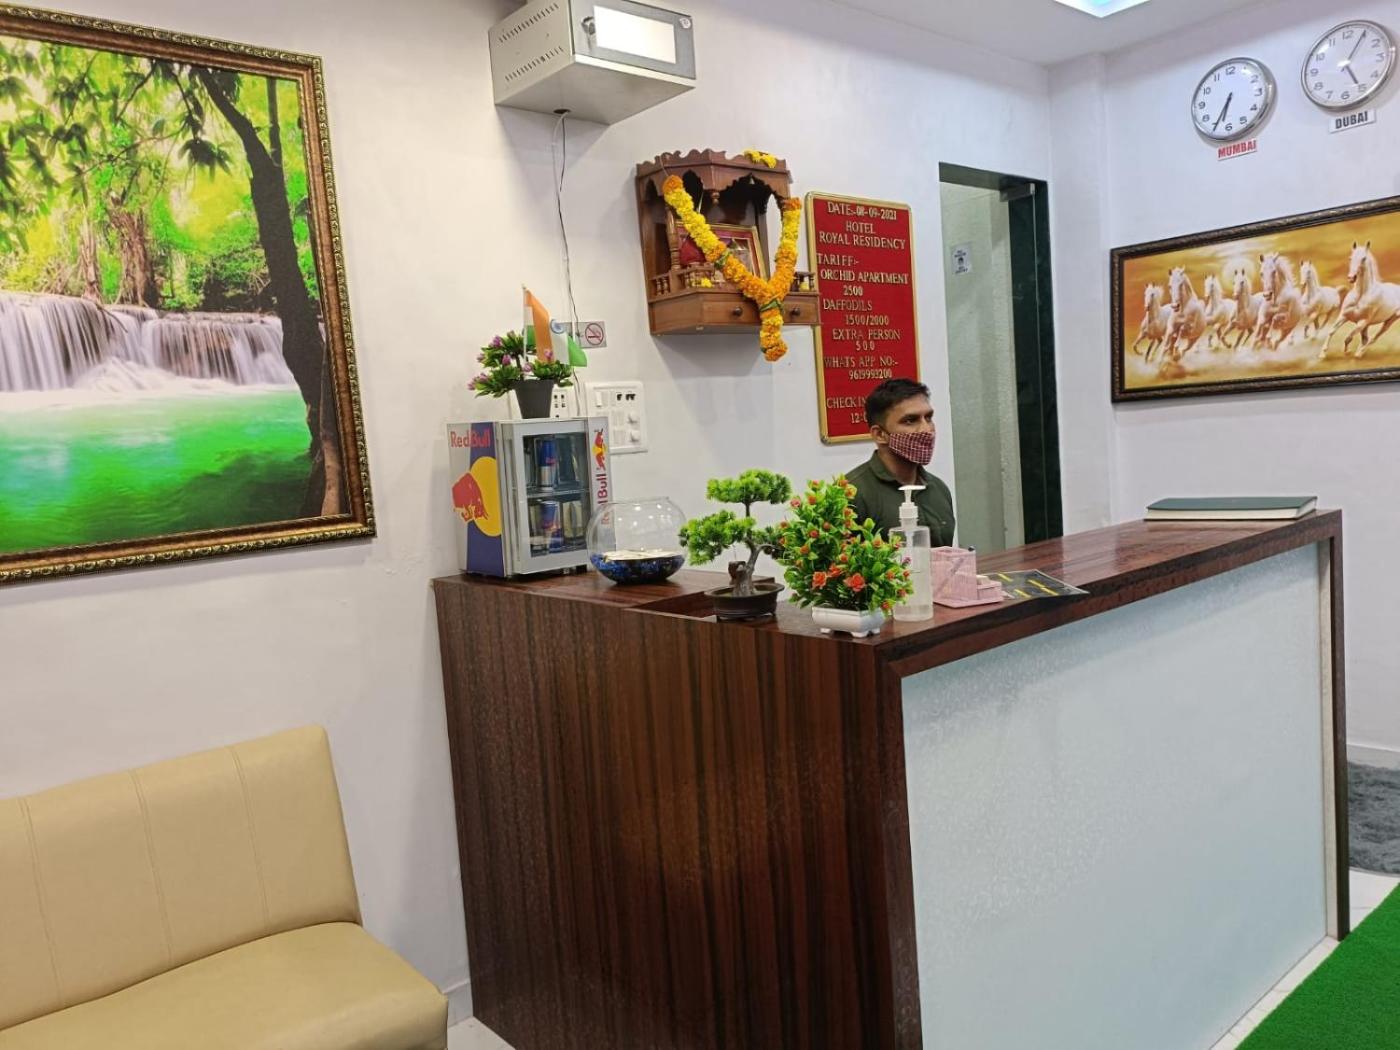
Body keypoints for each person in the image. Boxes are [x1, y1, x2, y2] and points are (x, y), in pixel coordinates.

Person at [846, 377, 955, 545]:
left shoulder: (938, 489)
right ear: (880, 434)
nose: (926, 430)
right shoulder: (852, 494)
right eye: (910, 421)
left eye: (928, 418)